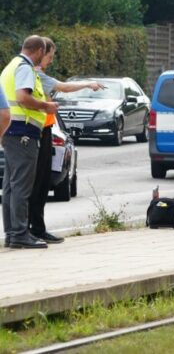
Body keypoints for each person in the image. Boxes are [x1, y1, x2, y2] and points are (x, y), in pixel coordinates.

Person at [28, 37, 104, 244]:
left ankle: (37, 228)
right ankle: (33, 229)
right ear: (41, 53)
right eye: (50, 56)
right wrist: (89, 84)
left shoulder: (37, 75)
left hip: (45, 130)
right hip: (38, 131)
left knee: (43, 182)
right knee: (37, 183)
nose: (51, 61)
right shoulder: (35, 75)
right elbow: (63, 87)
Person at [0, 36, 58, 249]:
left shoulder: (11, 66)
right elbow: (23, 97)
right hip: (23, 131)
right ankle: (20, 234)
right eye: (45, 53)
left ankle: (12, 233)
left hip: (10, 131)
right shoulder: (24, 68)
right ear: (40, 50)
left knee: (11, 186)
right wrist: (46, 106)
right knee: (22, 186)